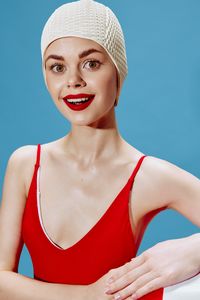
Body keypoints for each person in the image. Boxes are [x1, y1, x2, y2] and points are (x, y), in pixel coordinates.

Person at [0, 0, 199, 299]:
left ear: (118, 71)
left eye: (91, 63)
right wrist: (88, 296)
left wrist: (192, 250)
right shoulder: (26, 164)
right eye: (57, 67)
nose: (73, 81)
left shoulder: (149, 176)